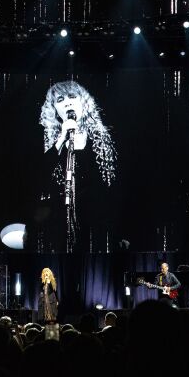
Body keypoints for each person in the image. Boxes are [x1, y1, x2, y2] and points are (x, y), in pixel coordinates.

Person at [37, 80, 117, 254]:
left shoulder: (102, 138)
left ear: (83, 102)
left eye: (72, 96)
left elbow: (113, 186)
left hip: (96, 221)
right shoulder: (52, 143)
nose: (67, 102)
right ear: (55, 110)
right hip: (60, 221)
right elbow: (40, 177)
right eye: (60, 100)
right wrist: (62, 138)